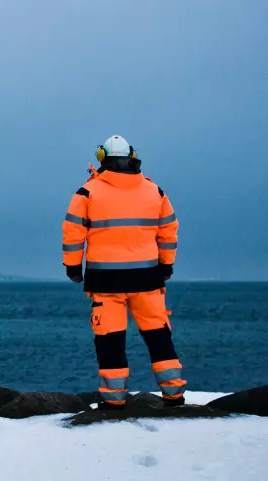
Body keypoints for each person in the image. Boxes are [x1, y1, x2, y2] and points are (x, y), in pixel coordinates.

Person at [62, 135, 185, 409]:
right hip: (148, 278)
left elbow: (73, 233)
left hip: (106, 281)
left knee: (110, 340)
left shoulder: (87, 193)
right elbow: (168, 231)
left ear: (102, 157)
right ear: (132, 157)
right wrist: (166, 265)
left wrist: (73, 268)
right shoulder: (154, 191)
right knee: (158, 336)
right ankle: (174, 394)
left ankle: (114, 399)